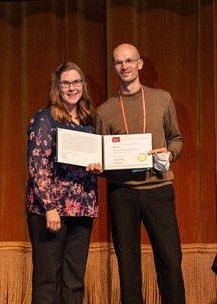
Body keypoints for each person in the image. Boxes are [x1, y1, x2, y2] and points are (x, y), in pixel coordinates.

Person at [94, 43, 186, 304]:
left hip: (158, 190)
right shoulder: (104, 111)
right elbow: (101, 159)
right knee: (128, 267)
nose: (124, 66)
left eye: (129, 61)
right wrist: (98, 167)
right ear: (114, 68)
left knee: (170, 261)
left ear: (139, 64)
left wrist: (168, 155)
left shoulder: (162, 98)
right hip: (122, 194)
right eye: (119, 62)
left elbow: (176, 139)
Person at [26, 62, 101, 304]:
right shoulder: (45, 118)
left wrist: (99, 165)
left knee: (74, 281)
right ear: (57, 88)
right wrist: (49, 207)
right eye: (65, 83)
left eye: (76, 82)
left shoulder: (90, 120)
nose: (72, 88)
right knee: (48, 281)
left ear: (83, 86)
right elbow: (37, 166)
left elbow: (97, 157)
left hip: (82, 209)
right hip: (51, 210)